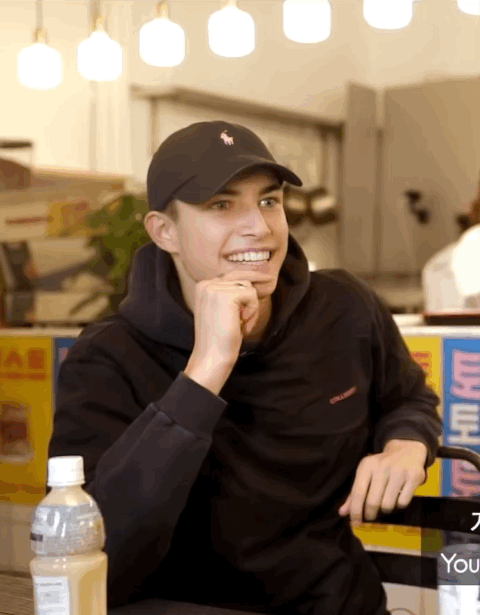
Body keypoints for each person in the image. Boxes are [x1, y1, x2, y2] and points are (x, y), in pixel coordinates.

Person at [47, 121, 442, 615]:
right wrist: (206, 370)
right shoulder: (107, 357)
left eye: (269, 200)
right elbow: (99, 557)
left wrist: (406, 445)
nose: (259, 226)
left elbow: (407, 398)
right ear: (164, 231)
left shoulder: (345, 307)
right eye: (221, 205)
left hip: (338, 604)